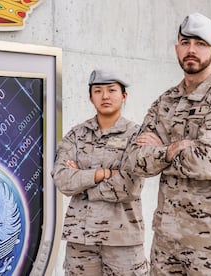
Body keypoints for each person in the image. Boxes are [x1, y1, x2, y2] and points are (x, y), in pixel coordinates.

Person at [128, 13, 211, 275]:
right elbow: (135, 160)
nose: (191, 50)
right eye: (185, 42)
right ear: (177, 48)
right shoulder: (166, 100)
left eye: (200, 43)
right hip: (165, 244)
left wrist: (161, 150)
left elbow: (209, 163)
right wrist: (178, 147)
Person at [51, 69, 149, 275]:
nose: (105, 96)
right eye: (98, 91)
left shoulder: (137, 136)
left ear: (124, 96)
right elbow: (61, 179)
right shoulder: (76, 134)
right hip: (81, 240)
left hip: (122, 241)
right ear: (90, 97)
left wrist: (83, 182)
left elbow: (129, 186)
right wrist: (103, 174)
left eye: (112, 90)